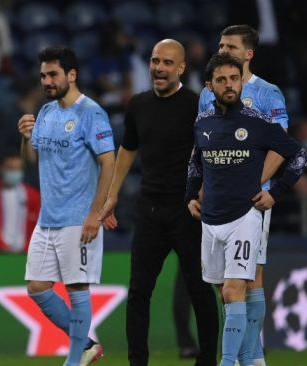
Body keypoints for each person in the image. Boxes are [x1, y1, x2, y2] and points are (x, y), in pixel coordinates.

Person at [98, 39, 219, 366]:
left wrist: (206, 191)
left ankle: (207, 360)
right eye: (155, 61)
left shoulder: (197, 105)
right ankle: (138, 362)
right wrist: (112, 195)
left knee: (199, 289)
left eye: (167, 63)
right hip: (149, 211)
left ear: (181, 68)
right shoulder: (138, 104)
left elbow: (212, 154)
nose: (159, 68)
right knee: (138, 293)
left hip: (187, 211)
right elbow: (127, 150)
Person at [186, 53, 307, 366]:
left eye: (234, 78)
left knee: (232, 291)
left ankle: (228, 363)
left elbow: (300, 157)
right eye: (222, 80)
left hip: (245, 216)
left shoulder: (258, 123)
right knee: (223, 292)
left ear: (241, 81)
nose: (230, 85)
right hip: (211, 219)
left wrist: (276, 193)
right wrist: (190, 195)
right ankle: (254, 359)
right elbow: (196, 161)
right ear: (209, 86)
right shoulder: (203, 123)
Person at [17, 46, 115, 366]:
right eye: (43, 74)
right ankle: (87, 345)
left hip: (78, 218)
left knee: (76, 287)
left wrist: (95, 214)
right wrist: (24, 138)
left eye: (53, 74)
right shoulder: (46, 112)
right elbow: (31, 162)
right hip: (48, 219)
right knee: (37, 288)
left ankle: (74, 361)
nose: (46, 80)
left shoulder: (91, 113)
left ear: (71, 75)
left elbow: (108, 162)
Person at [198, 25, 289, 366]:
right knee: (224, 285)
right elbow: (203, 147)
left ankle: (251, 357)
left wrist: (252, 182)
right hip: (217, 202)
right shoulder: (208, 93)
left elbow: (281, 147)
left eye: (231, 46)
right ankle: (244, 356)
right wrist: (203, 188)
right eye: (220, 44)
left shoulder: (267, 93)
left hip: (252, 201)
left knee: (252, 279)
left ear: (248, 54)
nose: (223, 48)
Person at [0, 151, 40, 253]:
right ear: (0, 168)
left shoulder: (33, 196)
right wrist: (2, 247)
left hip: (25, 253)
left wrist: (28, 249)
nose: (14, 172)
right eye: (10, 168)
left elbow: (36, 227)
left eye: (18, 169)